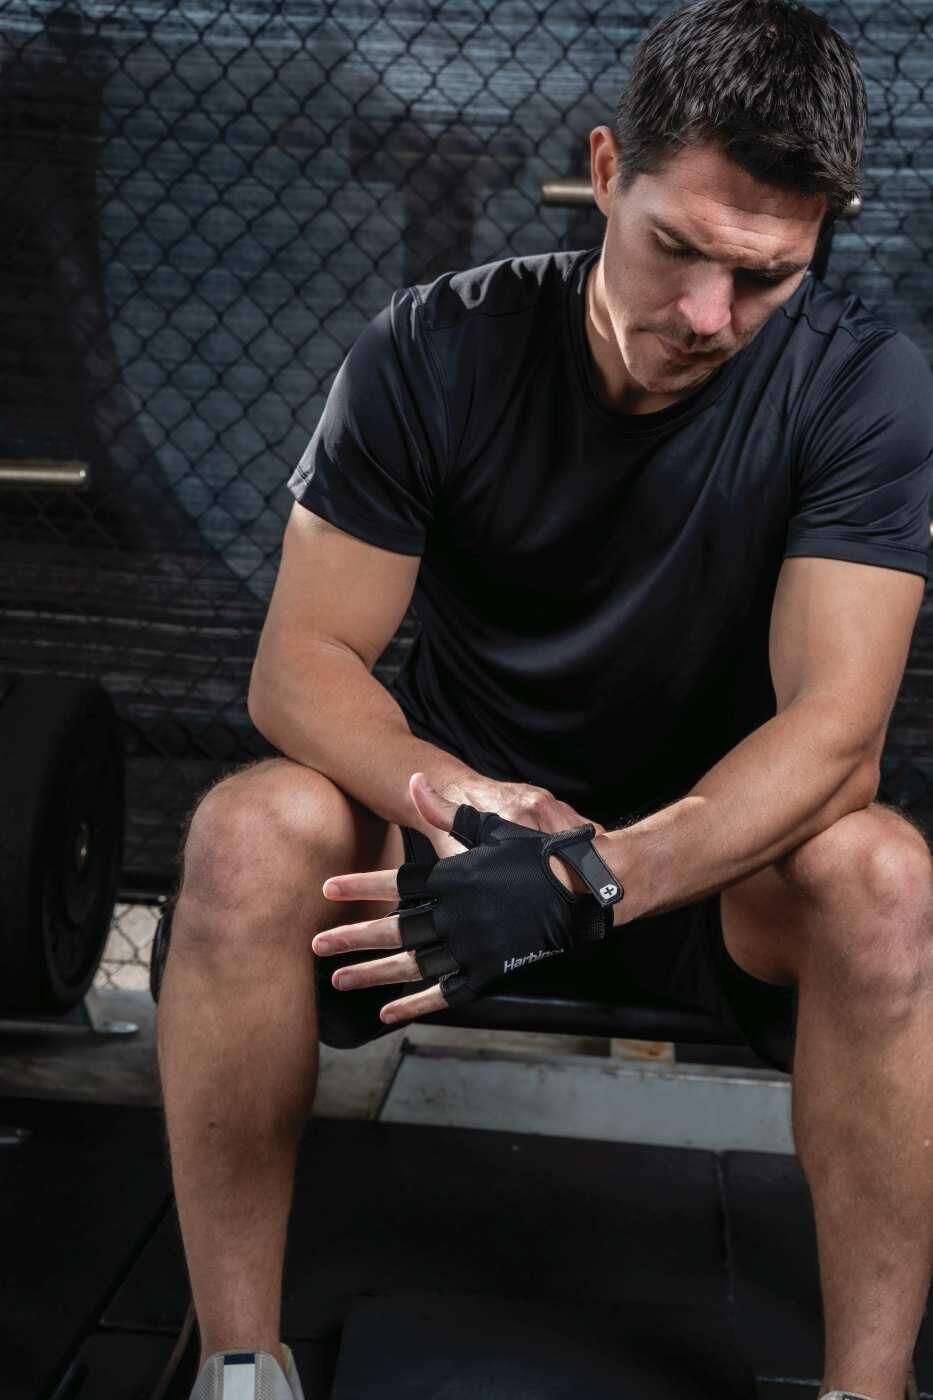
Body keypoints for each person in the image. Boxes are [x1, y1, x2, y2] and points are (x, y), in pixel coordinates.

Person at [156, 2, 933, 1398]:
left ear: (819, 239)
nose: (708, 317)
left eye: (764, 277)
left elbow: (837, 738)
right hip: (456, 858)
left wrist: (597, 876)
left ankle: (865, 1394)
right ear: (605, 169)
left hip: (708, 872)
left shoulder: (858, 384)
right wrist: (465, 805)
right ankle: (239, 1366)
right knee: (246, 833)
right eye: (677, 247)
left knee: (880, 876)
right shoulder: (434, 346)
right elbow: (301, 664)